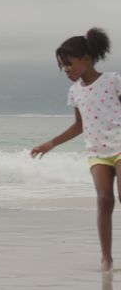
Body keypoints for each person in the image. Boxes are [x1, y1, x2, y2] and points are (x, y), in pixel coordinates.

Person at [31, 28, 121, 271]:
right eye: (63, 66)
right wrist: (51, 143)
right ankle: (106, 258)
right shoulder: (75, 92)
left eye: (69, 64)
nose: (66, 70)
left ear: (87, 59)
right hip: (97, 152)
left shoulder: (113, 80)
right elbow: (79, 125)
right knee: (104, 200)